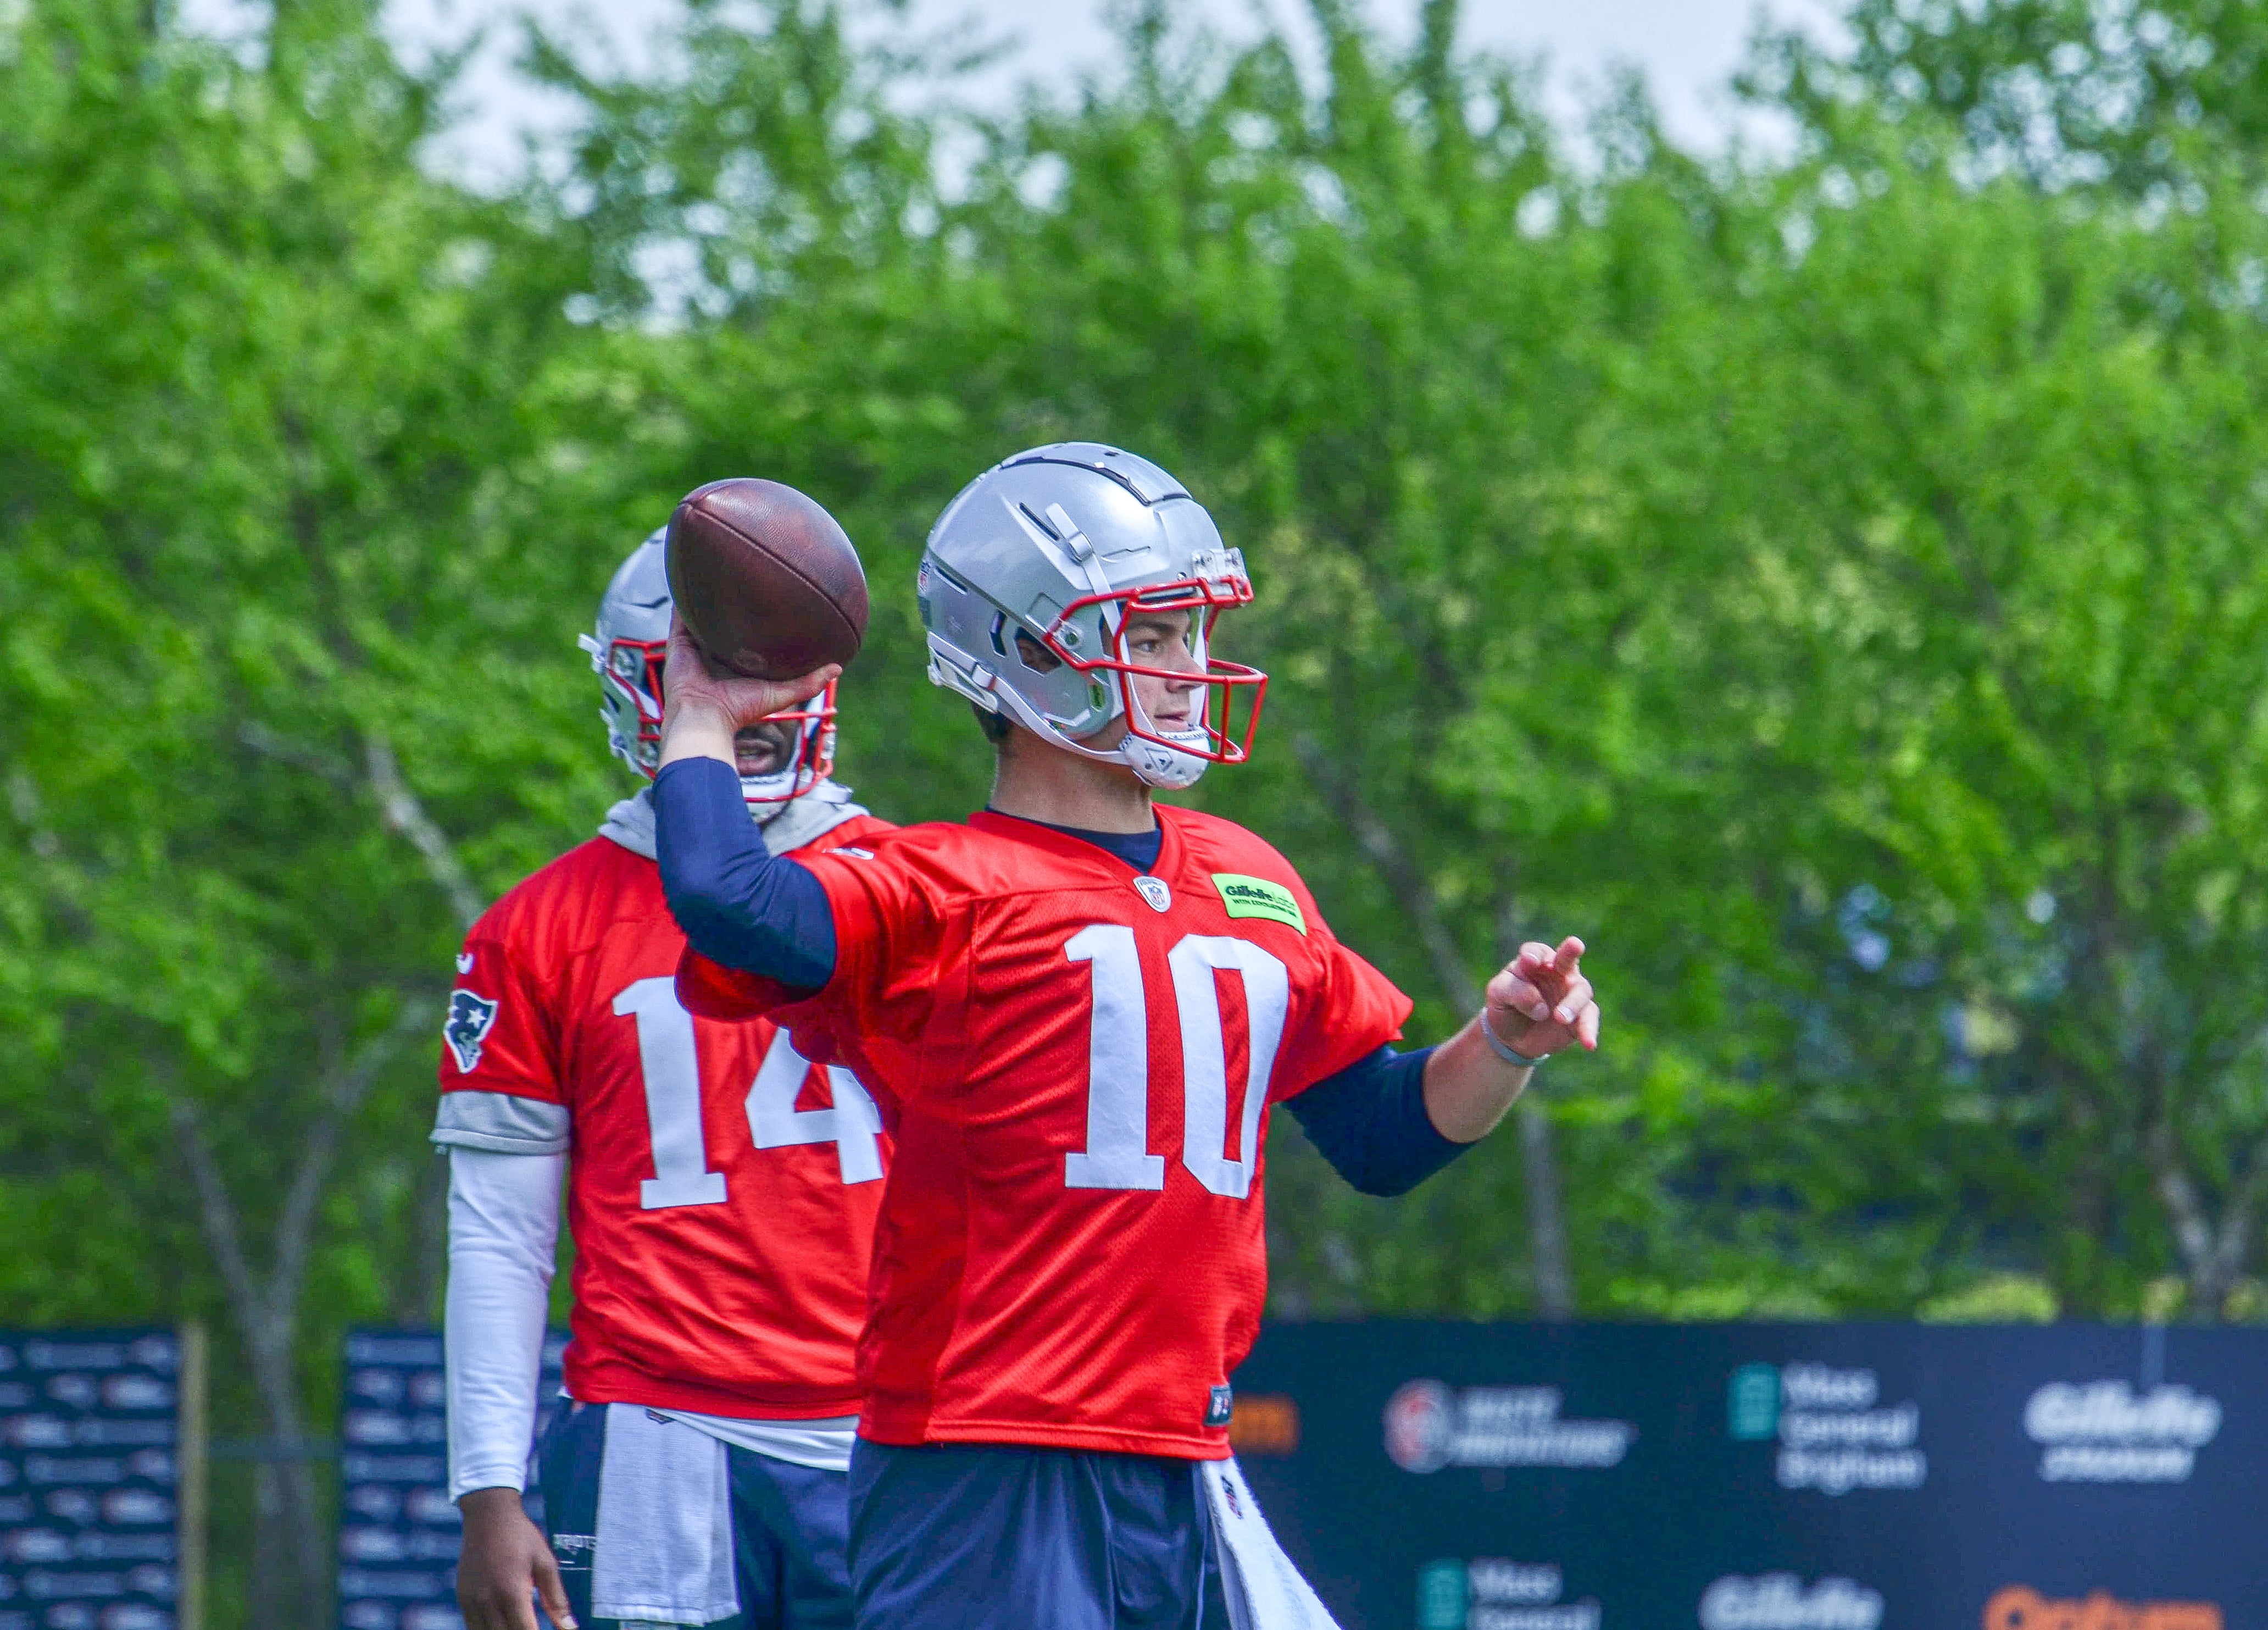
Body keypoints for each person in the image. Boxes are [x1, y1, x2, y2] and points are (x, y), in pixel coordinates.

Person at [650, 444, 1601, 1629]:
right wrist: (701, 715)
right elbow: (729, 901)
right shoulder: (940, 883)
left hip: (1184, 1457)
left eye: (1191, 634)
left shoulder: (1249, 877)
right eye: (1148, 638)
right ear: (1027, 649)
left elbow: (1381, 1133)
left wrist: (1503, 1043)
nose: (1188, 670)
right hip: (988, 1455)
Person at [434, 531, 895, 1630]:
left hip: (898, 1427)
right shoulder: (537, 929)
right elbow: (501, 1231)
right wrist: (487, 1490)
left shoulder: (919, 883)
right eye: (709, 678)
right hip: (660, 1424)